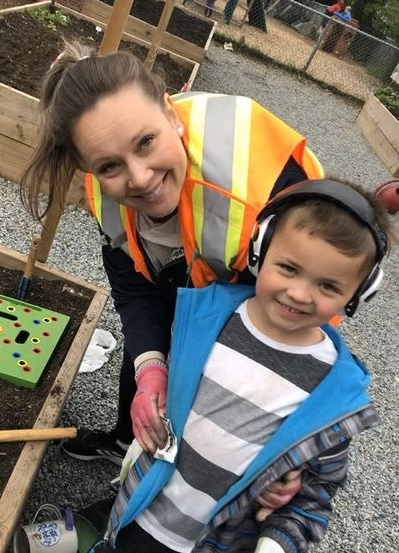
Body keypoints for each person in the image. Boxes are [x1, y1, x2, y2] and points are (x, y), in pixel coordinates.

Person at [20, 40, 325, 511]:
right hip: (182, 271)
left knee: (213, 393)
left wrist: (287, 452)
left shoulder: (267, 194)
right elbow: (134, 287)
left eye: (146, 142)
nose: (139, 178)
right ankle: (127, 442)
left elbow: (298, 330)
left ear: (171, 114)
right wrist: (150, 370)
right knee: (150, 359)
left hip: (261, 288)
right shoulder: (105, 192)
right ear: (90, 168)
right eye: (110, 166)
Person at [86, 178, 393, 553]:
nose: (299, 293)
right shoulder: (206, 317)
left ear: (358, 295)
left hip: (220, 543)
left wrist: (280, 541)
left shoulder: (334, 394)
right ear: (260, 249)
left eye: (328, 287)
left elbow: (315, 495)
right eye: (289, 268)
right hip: (141, 515)